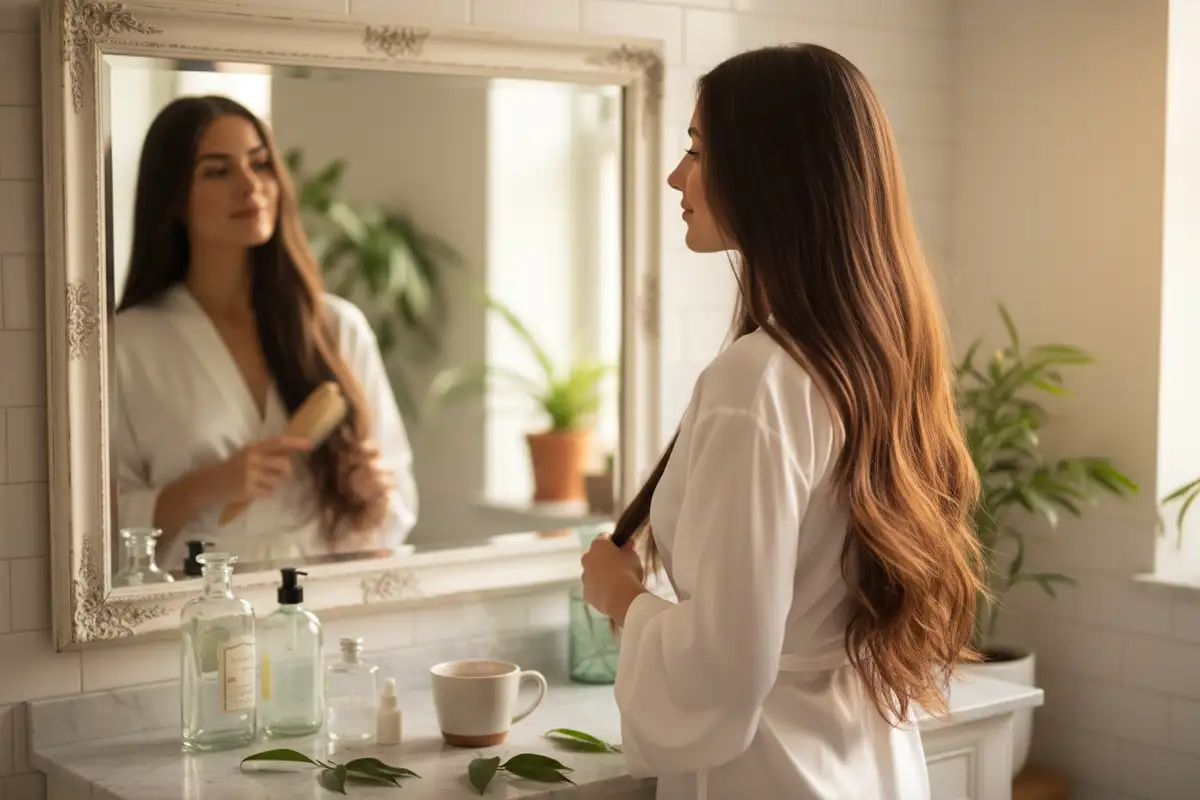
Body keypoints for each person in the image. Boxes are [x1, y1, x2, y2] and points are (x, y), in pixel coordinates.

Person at [580, 44, 983, 799]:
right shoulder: (879, 359)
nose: (677, 175)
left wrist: (622, 597)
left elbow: (725, 665)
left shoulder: (756, 382)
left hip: (774, 772)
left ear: (773, 174)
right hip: (866, 763)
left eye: (698, 150)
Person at [114, 94, 418, 570]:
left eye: (260, 165)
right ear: (172, 197)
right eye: (217, 171)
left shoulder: (338, 329)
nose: (250, 186)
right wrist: (207, 486)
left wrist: (373, 496)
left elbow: (394, 515)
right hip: (197, 614)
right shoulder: (128, 345)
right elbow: (101, 528)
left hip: (323, 607)